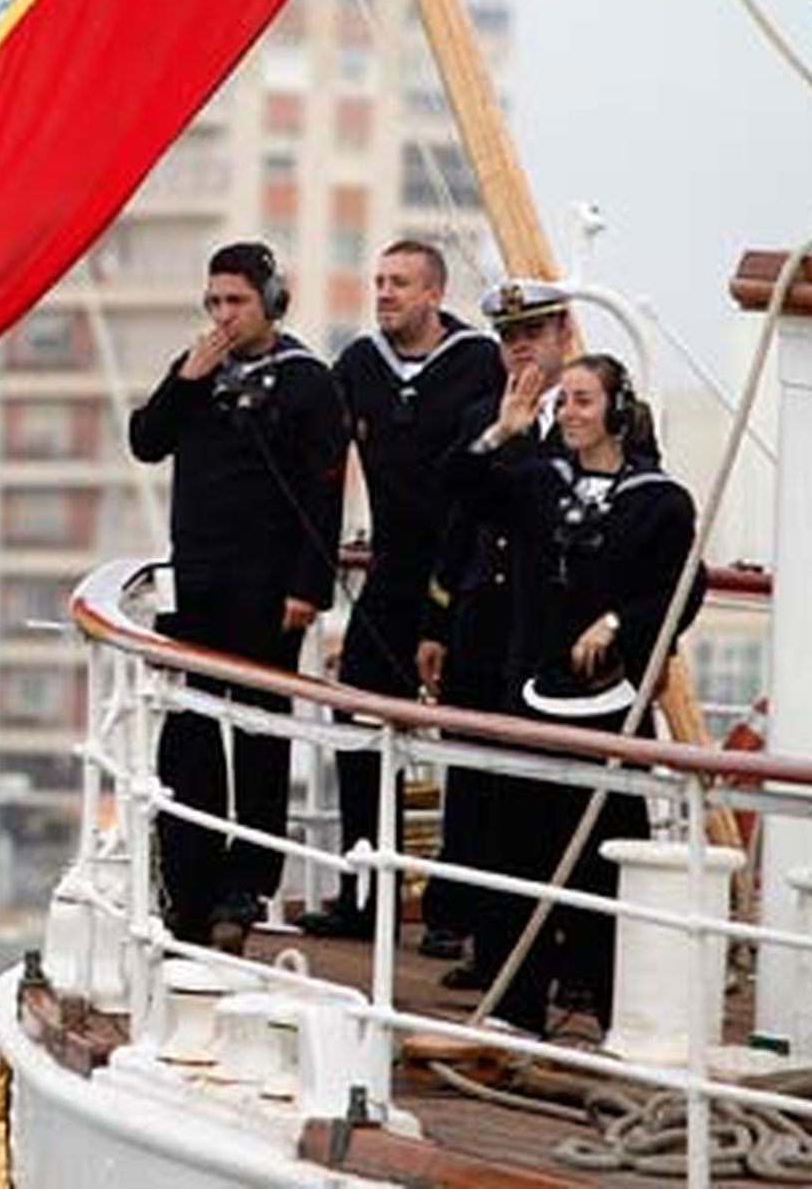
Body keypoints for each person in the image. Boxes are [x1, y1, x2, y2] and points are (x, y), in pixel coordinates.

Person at [448, 351, 705, 1035]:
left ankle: (619, 1012)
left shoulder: (660, 501)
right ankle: (516, 1009)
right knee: (516, 854)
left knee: (604, 859)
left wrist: (618, 622)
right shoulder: (537, 481)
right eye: (563, 401)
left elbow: (683, 588)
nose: (568, 413)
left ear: (617, 411)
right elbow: (460, 486)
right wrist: (503, 431)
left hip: (608, 709)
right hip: (533, 697)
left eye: (583, 400)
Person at [129, 241, 347, 951]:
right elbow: (146, 441)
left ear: (270, 302)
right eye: (215, 301)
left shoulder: (309, 381)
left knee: (259, 733)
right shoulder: (195, 370)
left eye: (237, 302)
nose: (223, 315)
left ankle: (245, 883)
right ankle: (188, 882)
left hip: (269, 588)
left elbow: (324, 491)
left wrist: (308, 587)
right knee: (190, 731)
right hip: (198, 581)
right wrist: (186, 381)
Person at [299, 240, 502, 943]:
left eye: (400, 283)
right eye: (379, 281)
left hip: (463, 577)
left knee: (466, 740)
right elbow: (315, 444)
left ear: (434, 294)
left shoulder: (479, 364)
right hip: (390, 574)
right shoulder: (360, 364)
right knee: (357, 720)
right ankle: (365, 894)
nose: (383, 293)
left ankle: (456, 911)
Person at [415, 278, 574, 980]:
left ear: (563, 335)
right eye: (509, 337)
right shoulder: (483, 415)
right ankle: (485, 943)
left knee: (543, 795)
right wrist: (437, 620)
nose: (520, 349)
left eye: (533, 334)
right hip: (483, 622)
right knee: (474, 786)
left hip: (549, 628)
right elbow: (457, 520)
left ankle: (560, 953)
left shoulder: (593, 412)